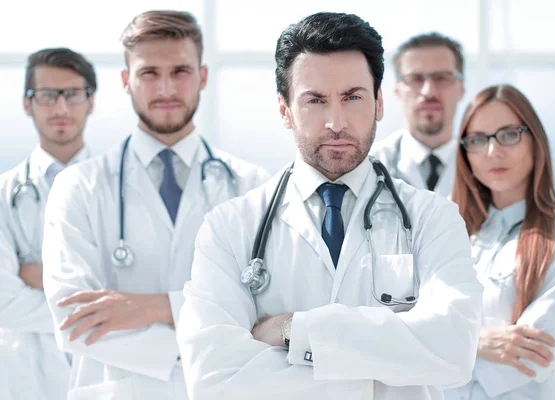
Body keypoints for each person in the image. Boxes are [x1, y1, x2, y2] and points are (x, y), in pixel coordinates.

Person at [177, 12, 483, 399]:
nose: (336, 122)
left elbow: (453, 351)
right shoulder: (229, 227)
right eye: (315, 100)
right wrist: (384, 371)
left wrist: (294, 331)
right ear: (285, 110)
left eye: (353, 97)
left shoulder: (432, 218)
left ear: (379, 103)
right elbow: (214, 379)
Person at [42, 10, 270, 400]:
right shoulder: (78, 186)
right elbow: (73, 318)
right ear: (126, 81)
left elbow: (270, 313)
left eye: (180, 71)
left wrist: (152, 308)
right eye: (149, 73)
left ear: (202, 77)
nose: (166, 88)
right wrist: (209, 330)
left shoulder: (253, 187)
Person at [444, 84, 555, 400]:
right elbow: (411, 335)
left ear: (535, 142)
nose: (493, 151)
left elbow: (532, 355)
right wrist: (481, 344)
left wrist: (447, 351)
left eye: (509, 134)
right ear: (465, 154)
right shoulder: (447, 231)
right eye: (477, 140)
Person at [0, 47, 96, 400]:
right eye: (46, 95)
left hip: (105, 378)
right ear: (28, 103)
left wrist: (39, 276)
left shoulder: (122, 190)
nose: (60, 108)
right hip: (25, 381)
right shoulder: (3, 194)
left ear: (91, 101)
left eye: (72, 94)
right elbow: (4, 305)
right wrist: (102, 308)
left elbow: (141, 288)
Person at [370, 32, 465, 196]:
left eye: (442, 78)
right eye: (415, 79)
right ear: (397, 89)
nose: (429, 91)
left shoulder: (483, 165)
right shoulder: (370, 165)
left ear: (462, 88)